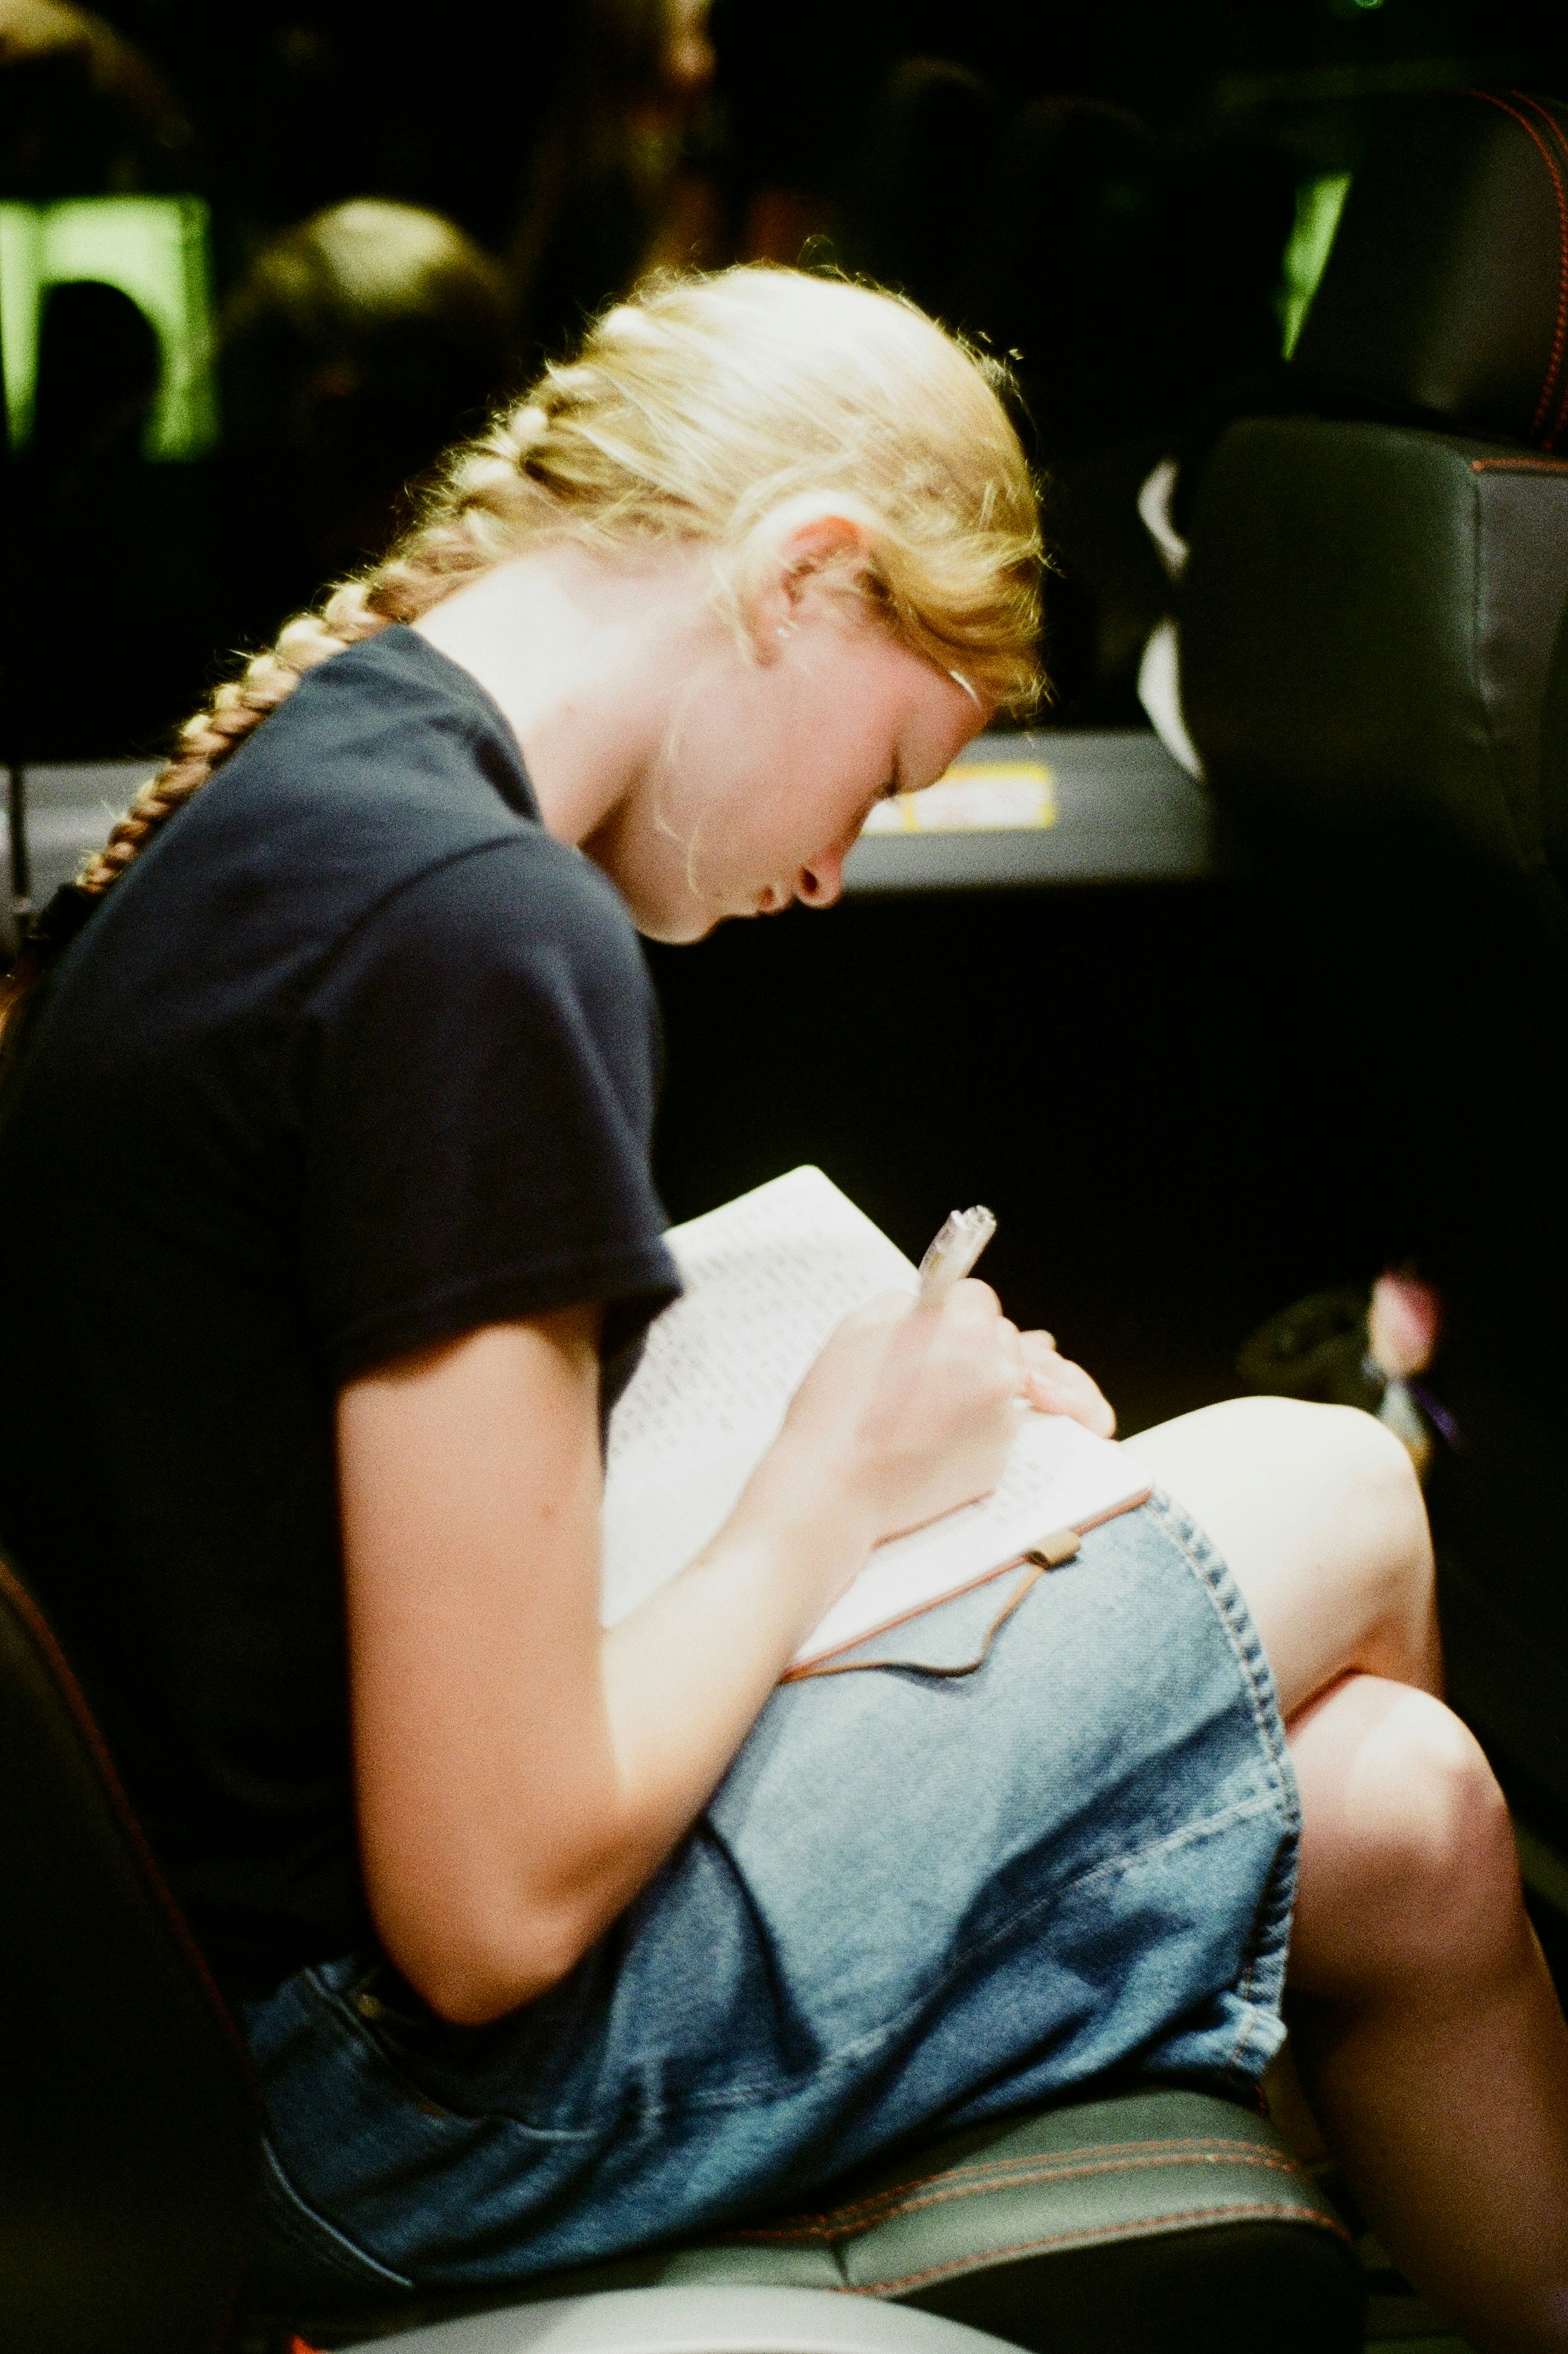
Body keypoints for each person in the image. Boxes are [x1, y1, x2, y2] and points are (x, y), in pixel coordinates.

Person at [0, 265, 1563, 2352]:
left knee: (1402, 1808)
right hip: (418, 2101)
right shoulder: (473, 930)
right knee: (1335, 1486)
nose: (833, 869)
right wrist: (828, 1487)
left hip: (283, 2046)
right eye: (891, 765)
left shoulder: (304, 803)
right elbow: (486, 1907)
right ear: (805, 575)